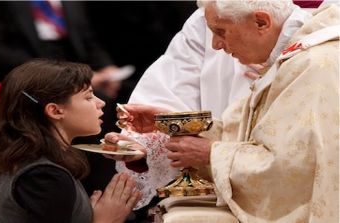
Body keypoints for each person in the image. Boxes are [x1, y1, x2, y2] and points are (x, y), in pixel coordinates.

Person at [114, 1, 339, 222]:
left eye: (221, 32)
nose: (215, 45)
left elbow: (298, 169)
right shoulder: (297, 55)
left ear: (262, 22)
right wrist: (173, 123)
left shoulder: (314, 64)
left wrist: (211, 154)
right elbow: (249, 132)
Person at [0, 59, 141, 223]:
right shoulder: (44, 175)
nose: (101, 103)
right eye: (89, 96)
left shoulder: (25, 161)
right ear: (55, 110)